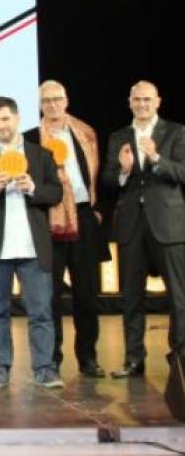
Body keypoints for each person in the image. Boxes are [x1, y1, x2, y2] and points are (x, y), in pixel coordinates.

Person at [0, 96, 63, 389]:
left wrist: (32, 187)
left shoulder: (40, 155)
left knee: (41, 312)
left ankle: (45, 369)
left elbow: (55, 193)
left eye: (5, 119)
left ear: (18, 119)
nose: (0, 125)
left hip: (33, 247)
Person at [25, 80, 109, 378]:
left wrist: (97, 209)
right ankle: (51, 360)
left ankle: (88, 358)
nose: (52, 105)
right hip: (48, 220)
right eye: (46, 100)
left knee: (87, 294)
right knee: (49, 297)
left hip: (83, 218)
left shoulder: (85, 133)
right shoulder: (31, 138)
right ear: (39, 105)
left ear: (66, 100)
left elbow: (97, 176)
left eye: (57, 99)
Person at [102, 80, 185, 378]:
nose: (142, 104)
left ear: (158, 102)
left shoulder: (176, 132)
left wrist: (157, 158)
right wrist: (123, 171)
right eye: (137, 99)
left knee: (179, 297)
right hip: (131, 225)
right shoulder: (118, 137)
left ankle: (180, 358)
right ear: (129, 102)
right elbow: (107, 180)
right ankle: (134, 359)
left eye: (147, 99)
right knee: (131, 297)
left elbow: (182, 172)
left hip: (168, 225)